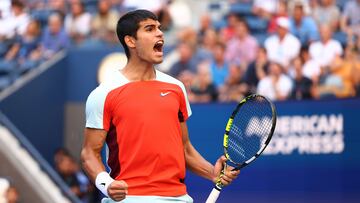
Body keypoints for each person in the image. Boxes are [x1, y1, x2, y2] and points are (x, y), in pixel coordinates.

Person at [81, 9, 239, 203]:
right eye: (150, 29)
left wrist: (212, 173)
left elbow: (185, 149)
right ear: (130, 41)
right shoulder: (103, 94)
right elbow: (90, 153)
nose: (159, 33)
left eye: (159, 28)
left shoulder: (176, 88)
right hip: (130, 199)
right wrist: (106, 183)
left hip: (178, 198)